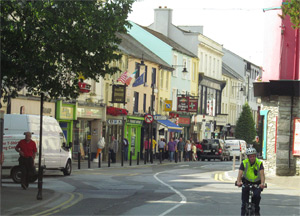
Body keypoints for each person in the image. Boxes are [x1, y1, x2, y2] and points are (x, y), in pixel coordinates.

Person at [236, 147, 265, 216]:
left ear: (255, 156)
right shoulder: (244, 163)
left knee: (256, 198)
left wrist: (262, 183)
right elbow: (240, 173)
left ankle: (257, 212)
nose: (252, 158)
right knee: (244, 203)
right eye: (250, 156)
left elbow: (262, 175)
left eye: (254, 156)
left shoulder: (259, 163)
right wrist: (238, 182)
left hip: (257, 183)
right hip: (246, 183)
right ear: (248, 157)